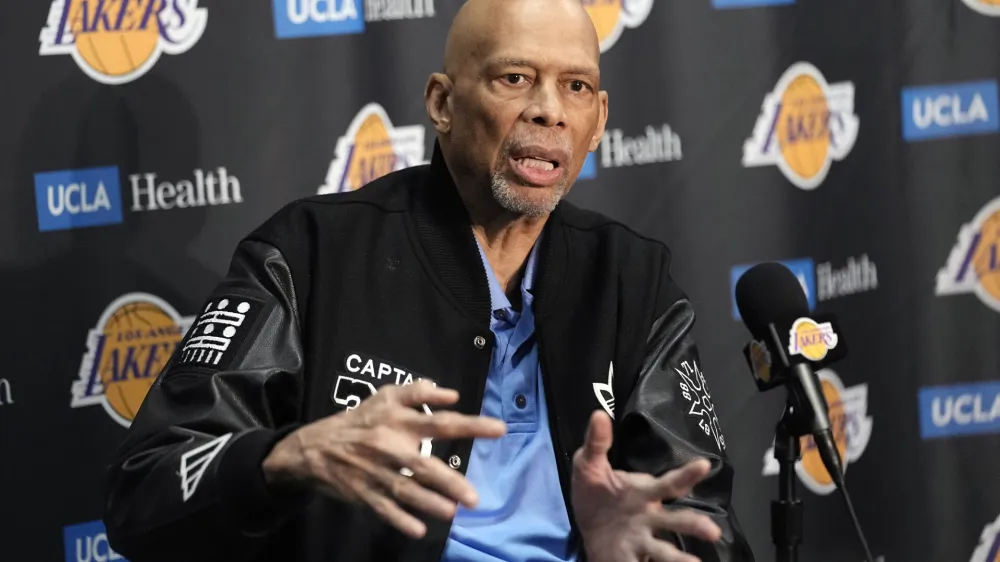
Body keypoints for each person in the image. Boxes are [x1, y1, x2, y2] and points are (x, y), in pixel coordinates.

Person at [103, 0, 755, 560]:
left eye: (576, 87)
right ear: (442, 103)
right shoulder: (308, 253)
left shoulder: (631, 278)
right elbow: (146, 490)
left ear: (600, 120)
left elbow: (707, 520)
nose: (549, 111)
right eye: (515, 78)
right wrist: (286, 459)